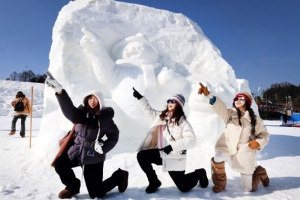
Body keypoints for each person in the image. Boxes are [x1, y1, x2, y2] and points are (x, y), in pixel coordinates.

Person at [45, 75, 129, 199]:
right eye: (90, 98)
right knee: (60, 164)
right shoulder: (79, 114)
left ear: (100, 101)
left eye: (95, 98)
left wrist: (103, 148)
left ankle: (120, 176)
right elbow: (67, 107)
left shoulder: (104, 119)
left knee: (96, 193)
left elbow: (114, 135)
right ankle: (72, 186)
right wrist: (59, 91)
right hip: (76, 151)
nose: (92, 100)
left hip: (93, 155)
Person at [132, 87, 208, 194]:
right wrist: (140, 98)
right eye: (168, 101)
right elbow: (149, 111)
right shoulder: (162, 116)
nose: (169, 103)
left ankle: (200, 173)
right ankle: (154, 181)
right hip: (162, 153)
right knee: (142, 156)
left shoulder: (182, 122)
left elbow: (192, 140)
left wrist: (172, 147)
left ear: (179, 105)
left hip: (174, 156)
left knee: (183, 187)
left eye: (173, 101)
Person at [198, 82, 270, 193]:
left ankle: (260, 172)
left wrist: (258, 142)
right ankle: (220, 183)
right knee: (218, 156)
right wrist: (210, 96)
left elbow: (264, 135)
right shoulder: (230, 114)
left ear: (247, 102)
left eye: (241, 98)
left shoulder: (255, 120)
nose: (237, 100)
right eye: (236, 98)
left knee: (248, 189)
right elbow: (219, 107)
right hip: (227, 148)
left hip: (244, 153)